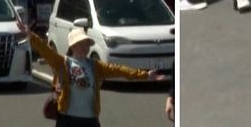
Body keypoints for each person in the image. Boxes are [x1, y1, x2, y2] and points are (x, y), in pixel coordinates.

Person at [19, 17, 165, 127]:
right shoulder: (62, 62)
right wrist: (29, 34)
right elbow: (45, 50)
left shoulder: (95, 66)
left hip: (89, 120)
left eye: (86, 44)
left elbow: (119, 70)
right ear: (73, 46)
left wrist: (145, 75)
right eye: (81, 44)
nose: (84, 47)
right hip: (67, 118)